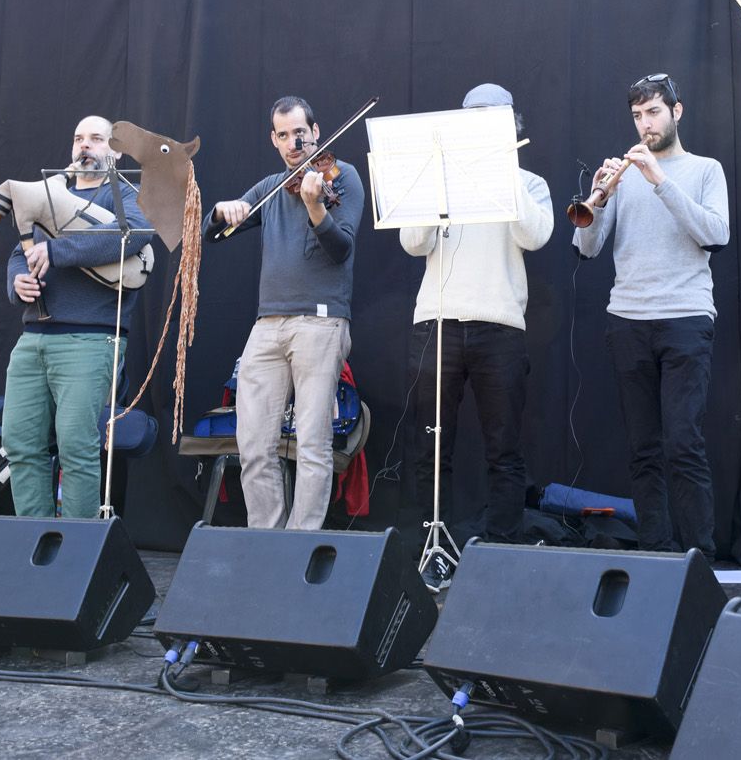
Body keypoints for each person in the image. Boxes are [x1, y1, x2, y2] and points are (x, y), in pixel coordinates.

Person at [572, 73, 729, 560]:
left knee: (683, 444)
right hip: (628, 320)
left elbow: (714, 234)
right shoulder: (622, 176)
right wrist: (599, 199)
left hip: (685, 318)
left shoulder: (706, 170)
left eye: (654, 112)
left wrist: (659, 181)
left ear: (676, 112)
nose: (645, 125)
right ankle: (655, 558)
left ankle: (699, 559)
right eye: (638, 116)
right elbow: (587, 247)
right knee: (643, 449)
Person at [400, 84, 553, 577]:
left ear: (512, 127)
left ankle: (502, 554)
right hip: (437, 322)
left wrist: (502, 173)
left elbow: (536, 234)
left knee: (503, 447)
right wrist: (435, 184)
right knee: (430, 446)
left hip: (500, 324)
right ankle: (430, 551)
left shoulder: (527, 182)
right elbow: (412, 241)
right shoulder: (439, 177)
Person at [206, 96, 364, 530]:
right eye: (283, 134)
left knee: (312, 442)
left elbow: (341, 248)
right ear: (274, 141)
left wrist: (316, 207)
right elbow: (215, 234)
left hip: (321, 321)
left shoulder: (341, 176)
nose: (294, 141)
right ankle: (266, 541)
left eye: (300, 132)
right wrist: (222, 211)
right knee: (254, 442)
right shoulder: (270, 187)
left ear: (315, 132)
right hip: (267, 325)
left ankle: (300, 543)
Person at [2, 115, 152, 519]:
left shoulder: (123, 194)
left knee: (75, 447)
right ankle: (33, 546)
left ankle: (73, 557)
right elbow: (20, 253)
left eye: (96, 139)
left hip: (90, 339)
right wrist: (17, 282)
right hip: (33, 336)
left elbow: (136, 235)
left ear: (114, 150)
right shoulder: (48, 194)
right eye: (78, 138)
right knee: (20, 443)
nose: (85, 145)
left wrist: (57, 252)